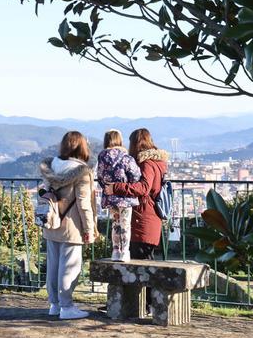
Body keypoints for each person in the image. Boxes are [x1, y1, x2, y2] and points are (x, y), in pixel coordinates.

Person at [38, 131, 97, 320]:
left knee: (53, 266)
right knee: (70, 267)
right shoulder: (82, 171)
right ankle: (67, 307)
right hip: (72, 225)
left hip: (51, 221)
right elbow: (83, 203)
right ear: (82, 147)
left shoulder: (51, 166)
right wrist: (89, 229)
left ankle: (54, 304)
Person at [103, 128, 169, 261]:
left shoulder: (147, 164)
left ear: (135, 143)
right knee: (144, 263)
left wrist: (116, 187)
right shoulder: (155, 162)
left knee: (140, 264)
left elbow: (143, 188)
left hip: (142, 219)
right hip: (148, 218)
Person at [96, 129, 141, 262]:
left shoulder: (102, 156)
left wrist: (108, 188)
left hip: (111, 197)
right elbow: (135, 175)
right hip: (125, 197)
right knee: (125, 224)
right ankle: (125, 252)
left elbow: (100, 176)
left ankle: (116, 251)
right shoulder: (125, 157)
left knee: (116, 224)